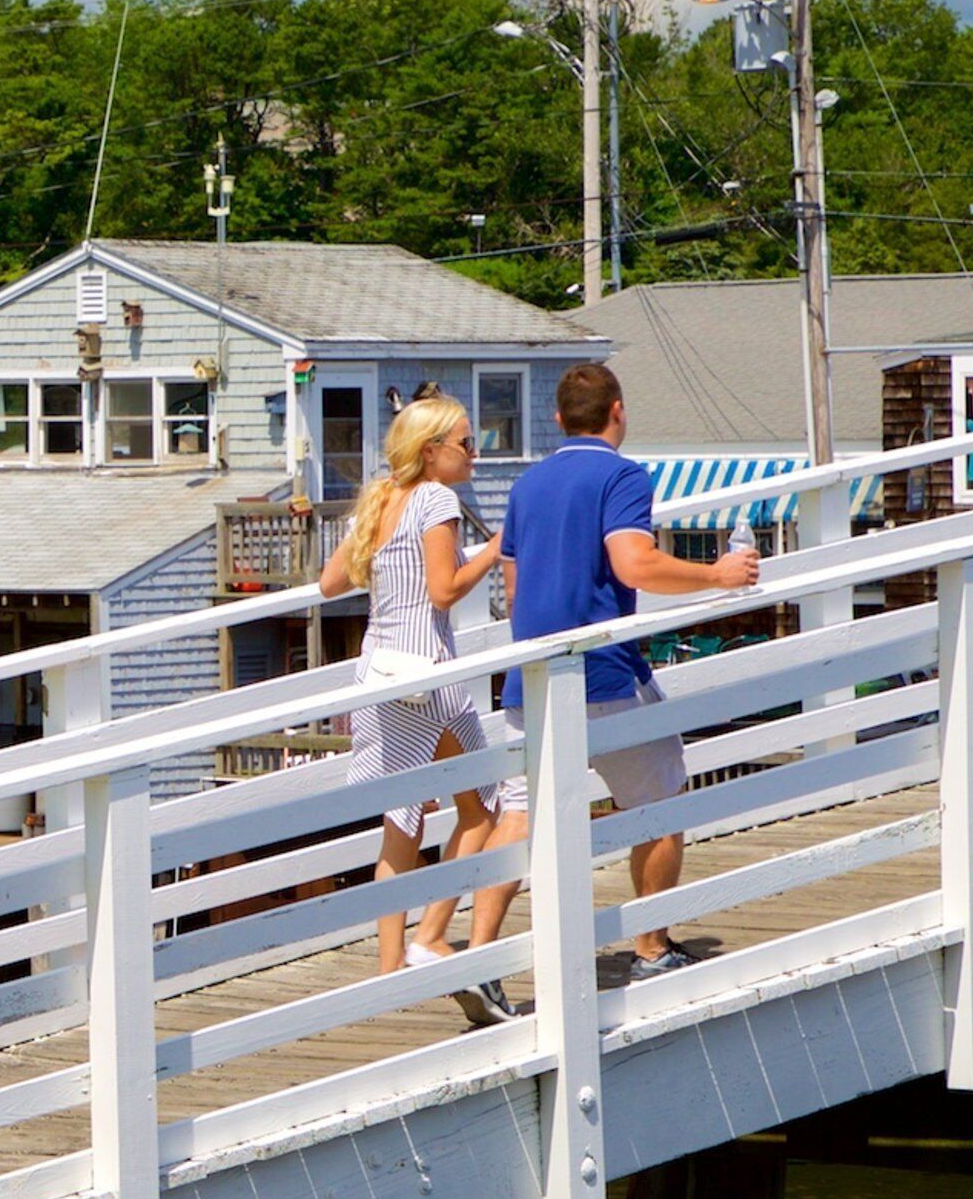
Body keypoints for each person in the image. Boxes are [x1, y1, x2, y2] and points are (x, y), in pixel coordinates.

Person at [471, 363, 761, 982]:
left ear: (557, 419)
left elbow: (515, 585)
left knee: (518, 816)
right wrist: (718, 575)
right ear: (618, 411)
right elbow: (633, 564)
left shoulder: (526, 486)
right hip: (604, 674)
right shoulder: (622, 476)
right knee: (661, 800)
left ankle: (480, 959)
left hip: (532, 678)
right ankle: (652, 948)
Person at [316, 397, 513, 1021]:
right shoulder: (435, 500)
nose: (473, 451)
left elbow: (328, 585)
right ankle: (431, 934)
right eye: (464, 441)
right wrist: (500, 547)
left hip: (379, 672)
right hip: (428, 674)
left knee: (401, 823)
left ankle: (389, 963)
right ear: (431, 451)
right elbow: (444, 590)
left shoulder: (381, 500)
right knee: (484, 807)